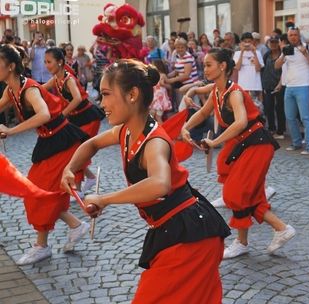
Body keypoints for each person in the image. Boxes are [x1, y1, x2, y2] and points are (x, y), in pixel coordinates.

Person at [61, 59, 230, 303]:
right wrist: (69, 168)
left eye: (107, 94)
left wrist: (105, 199)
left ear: (132, 95)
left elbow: (159, 184)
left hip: (190, 237)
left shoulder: (155, 142)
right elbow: (92, 143)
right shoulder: (126, 130)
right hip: (177, 231)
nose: (102, 103)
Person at [181, 48, 296, 259]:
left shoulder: (234, 92)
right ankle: (279, 229)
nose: (204, 68)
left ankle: (245, 240)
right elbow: (204, 111)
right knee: (244, 189)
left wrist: (215, 141)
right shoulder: (217, 90)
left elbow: (242, 121)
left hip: (257, 145)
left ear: (222, 66)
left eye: (208, 64)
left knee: (235, 194)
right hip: (242, 144)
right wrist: (185, 127)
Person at [0, 44, 89, 265]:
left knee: (38, 192)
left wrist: (10, 131)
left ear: (10, 66)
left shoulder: (28, 89)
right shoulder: (11, 89)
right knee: (45, 192)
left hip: (62, 140)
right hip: (50, 141)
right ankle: (75, 226)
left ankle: (42, 246)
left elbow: (44, 114)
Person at [42, 47, 105, 196]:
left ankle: (77, 188)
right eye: (45, 62)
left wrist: (62, 114)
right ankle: (90, 178)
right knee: (74, 152)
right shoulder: (56, 79)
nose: (46, 65)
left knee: (78, 152)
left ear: (60, 62)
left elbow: (77, 98)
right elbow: (40, 89)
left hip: (88, 118)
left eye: (49, 62)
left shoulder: (68, 79)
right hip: (76, 119)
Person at [275, 26, 309, 155]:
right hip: (289, 87)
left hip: (303, 86)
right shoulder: (287, 49)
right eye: (291, 35)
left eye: (295, 35)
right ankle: (296, 143)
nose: (293, 37)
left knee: (305, 117)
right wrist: (283, 54)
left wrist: (305, 53)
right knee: (289, 117)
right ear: (288, 37)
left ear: (299, 35)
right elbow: (276, 66)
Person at [261, 35, 285, 138]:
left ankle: (281, 129)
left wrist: (281, 82)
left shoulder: (282, 55)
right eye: (271, 42)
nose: (273, 44)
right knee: (268, 107)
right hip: (267, 84)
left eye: (275, 42)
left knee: (280, 107)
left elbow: (285, 70)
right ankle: (271, 128)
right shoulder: (266, 55)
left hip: (280, 84)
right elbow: (263, 70)